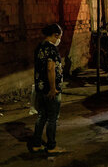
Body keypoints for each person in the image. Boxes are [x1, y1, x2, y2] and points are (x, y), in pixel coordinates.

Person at [31, 24, 65, 154]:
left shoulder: (39, 47)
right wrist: (53, 88)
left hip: (40, 88)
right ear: (55, 35)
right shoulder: (52, 49)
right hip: (51, 89)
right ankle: (51, 146)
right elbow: (51, 68)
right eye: (60, 37)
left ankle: (36, 144)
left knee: (41, 116)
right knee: (52, 118)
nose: (59, 39)